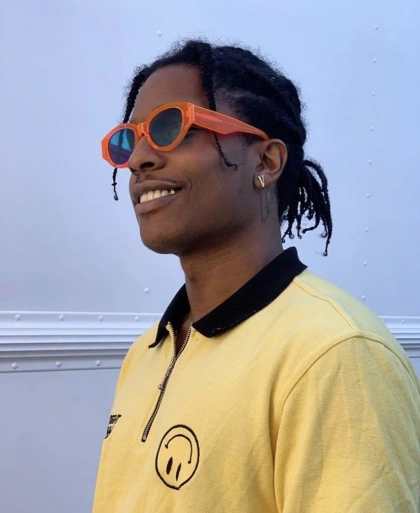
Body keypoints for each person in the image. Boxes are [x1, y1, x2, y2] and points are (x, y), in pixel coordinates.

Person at [93, 39, 420, 512]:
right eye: (128, 139)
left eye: (170, 127)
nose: (139, 159)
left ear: (265, 162)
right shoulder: (146, 352)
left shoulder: (333, 354)